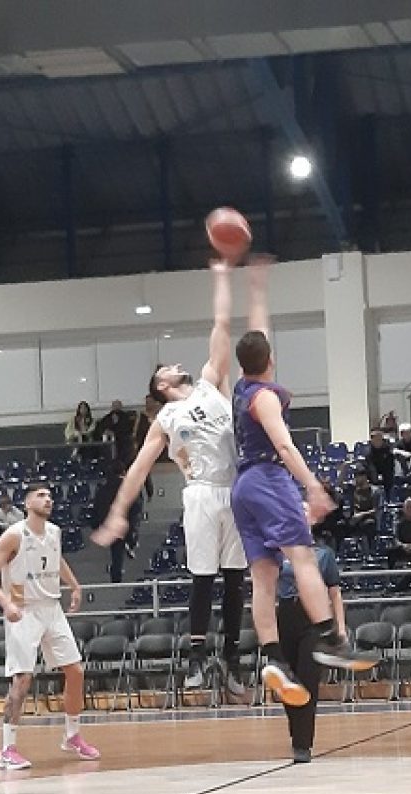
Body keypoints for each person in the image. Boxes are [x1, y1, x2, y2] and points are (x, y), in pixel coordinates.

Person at [93, 257, 253, 696]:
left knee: (236, 578)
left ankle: (233, 659)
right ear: (160, 385)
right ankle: (197, 658)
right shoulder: (165, 417)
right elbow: (139, 468)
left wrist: (222, 277)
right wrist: (119, 513)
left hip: (234, 488)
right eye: (165, 367)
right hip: (200, 493)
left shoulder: (208, 383)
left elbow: (222, 327)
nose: (175, 363)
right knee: (203, 577)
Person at [228, 269, 376, 706]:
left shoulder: (242, 387)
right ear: (270, 360)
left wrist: (257, 290)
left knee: (263, 577)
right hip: (269, 478)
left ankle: (274, 659)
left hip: (242, 488)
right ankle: (332, 639)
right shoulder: (265, 397)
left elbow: (256, 341)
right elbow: (284, 445)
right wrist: (312, 486)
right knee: (304, 558)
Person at [0, 483, 99, 770]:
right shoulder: (14, 535)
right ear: (27, 503)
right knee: (22, 679)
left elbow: (56, 559)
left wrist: (74, 585)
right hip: (24, 611)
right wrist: (5, 604)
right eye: (41, 496)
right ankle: (7, 749)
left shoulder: (54, 532)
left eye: (50, 496)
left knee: (75, 671)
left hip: (51, 608)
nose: (48, 499)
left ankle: (72, 735)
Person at [275, 542, 347, 764]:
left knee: (308, 678)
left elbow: (334, 593)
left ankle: (303, 743)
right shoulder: (278, 552)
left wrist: (340, 628)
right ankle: (295, 731)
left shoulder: (324, 554)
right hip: (285, 614)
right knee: (288, 680)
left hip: (314, 618)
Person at [90, 465, 139, 583]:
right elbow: (135, 507)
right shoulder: (128, 487)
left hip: (107, 523)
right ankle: (130, 544)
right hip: (124, 522)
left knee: (116, 552)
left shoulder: (103, 489)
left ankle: (116, 575)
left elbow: (96, 507)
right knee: (119, 548)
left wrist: (96, 524)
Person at [347, 471, 382, 539]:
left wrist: (361, 515)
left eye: (358, 476)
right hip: (354, 519)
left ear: (365, 477)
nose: (356, 479)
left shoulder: (375, 491)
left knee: (369, 524)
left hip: (368, 517)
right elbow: (340, 483)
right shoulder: (353, 489)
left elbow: (376, 509)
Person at [365, 428, 396, 493]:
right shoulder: (368, 452)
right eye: (376, 439)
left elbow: (390, 465)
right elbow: (369, 465)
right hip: (372, 476)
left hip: (386, 475)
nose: (378, 441)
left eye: (380, 439)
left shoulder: (387, 450)